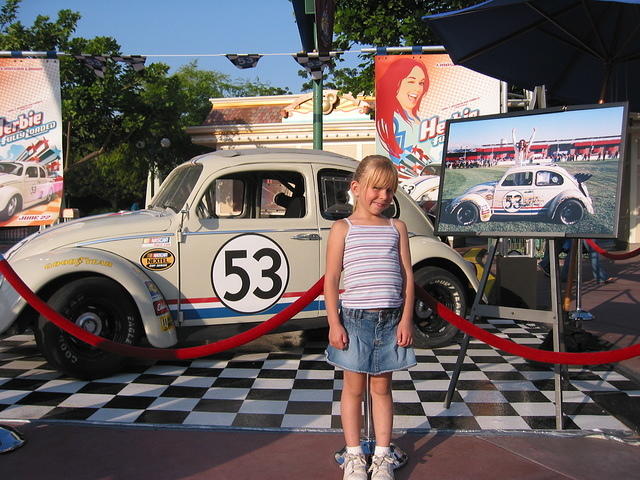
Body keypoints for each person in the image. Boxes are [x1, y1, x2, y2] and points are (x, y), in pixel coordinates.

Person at [324, 155, 417, 480]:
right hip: (354, 320)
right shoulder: (342, 228)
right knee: (352, 389)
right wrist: (334, 323)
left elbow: (407, 276)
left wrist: (406, 320)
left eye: (390, 191)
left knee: (381, 389)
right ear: (356, 188)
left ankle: (381, 455)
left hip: (391, 322)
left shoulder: (397, 227)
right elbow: (332, 279)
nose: (383, 197)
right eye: (376, 189)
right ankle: (353, 456)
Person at [375, 58, 429, 177]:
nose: (418, 88)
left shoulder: (418, 119)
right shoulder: (391, 120)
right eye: (411, 81)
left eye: (421, 83)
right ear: (396, 82)